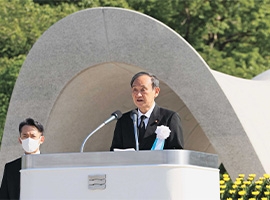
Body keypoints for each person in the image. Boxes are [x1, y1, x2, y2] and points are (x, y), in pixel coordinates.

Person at [110, 71, 184, 151]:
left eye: (143, 90)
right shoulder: (124, 120)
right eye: (135, 90)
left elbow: (176, 151)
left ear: (156, 92)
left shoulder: (169, 118)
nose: (138, 95)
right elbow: (115, 151)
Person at [0, 118, 45, 200]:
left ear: (41, 139)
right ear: (20, 140)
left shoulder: (49, 166)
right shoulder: (10, 168)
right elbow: (4, 196)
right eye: (25, 136)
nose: (29, 140)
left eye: (33, 136)